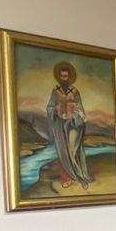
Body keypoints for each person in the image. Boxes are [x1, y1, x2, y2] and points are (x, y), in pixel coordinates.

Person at [45, 60, 90, 189]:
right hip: (60, 125)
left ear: (69, 77)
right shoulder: (55, 91)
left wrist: (74, 113)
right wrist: (56, 109)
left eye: (66, 76)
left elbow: (80, 109)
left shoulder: (74, 91)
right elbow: (49, 107)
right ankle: (68, 177)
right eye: (62, 76)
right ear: (59, 77)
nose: (63, 79)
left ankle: (79, 176)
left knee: (72, 149)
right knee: (63, 151)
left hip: (73, 124)